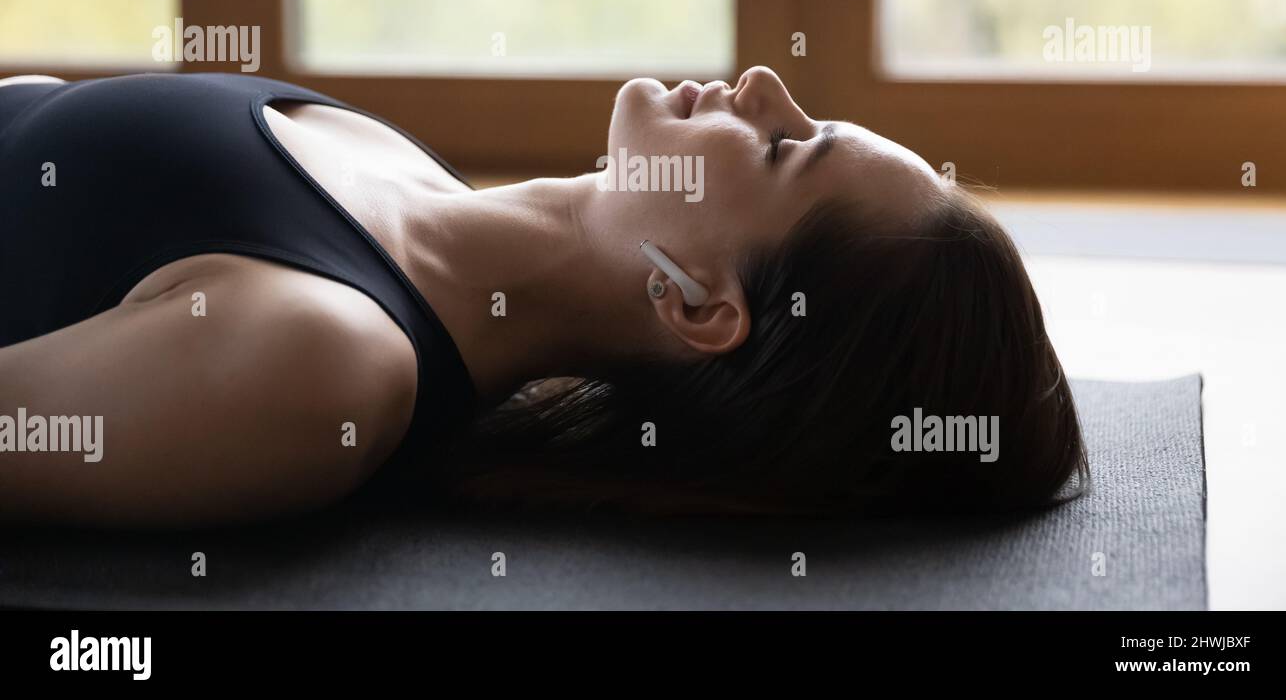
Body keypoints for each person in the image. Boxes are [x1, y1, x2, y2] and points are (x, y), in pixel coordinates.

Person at [0, 66, 1088, 526]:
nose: (763, 88)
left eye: (786, 145)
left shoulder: (326, 363)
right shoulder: (406, 173)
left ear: (701, 305)